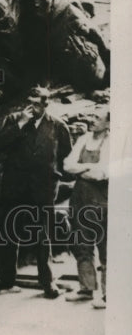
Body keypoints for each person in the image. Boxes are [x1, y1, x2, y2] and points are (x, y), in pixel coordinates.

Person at [0, 88, 72, 298]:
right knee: (10, 234)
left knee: (43, 236)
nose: (33, 108)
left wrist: (51, 173)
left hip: (43, 188)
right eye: (30, 103)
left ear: (46, 104)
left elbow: (65, 153)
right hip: (15, 186)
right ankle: (6, 279)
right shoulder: (14, 120)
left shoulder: (58, 126)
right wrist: (21, 124)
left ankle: (47, 282)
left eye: (38, 104)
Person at [64, 108, 110, 308]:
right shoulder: (83, 139)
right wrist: (88, 168)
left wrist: (80, 169)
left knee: (105, 247)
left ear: (108, 123)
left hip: (101, 201)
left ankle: (109, 294)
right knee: (81, 244)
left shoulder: (112, 142)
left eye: (97, 118)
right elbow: (67, 164)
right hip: (80, 199)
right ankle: (86, 288)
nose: (92, 121)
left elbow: (103, 173)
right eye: (92, 117)